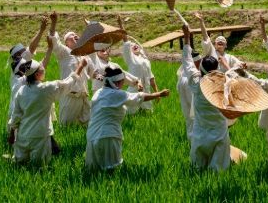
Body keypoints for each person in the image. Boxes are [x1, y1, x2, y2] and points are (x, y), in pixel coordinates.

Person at [8, 44, 88, 166]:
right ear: (37, 74)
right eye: (41, 68)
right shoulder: (46, 89)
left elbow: (16, 116)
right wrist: (80, 67)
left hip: (23, 135)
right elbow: (68, 83)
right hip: (40, 136)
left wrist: (11, 134)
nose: (44, 69)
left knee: (19, 164)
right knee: (39, 167)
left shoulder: (21, 91)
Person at [86, 66, 169, 171]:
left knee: (94, 170)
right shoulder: (117, 94)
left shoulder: (98, 93)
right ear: (116, 83)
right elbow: (140, 97)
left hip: (92, 135)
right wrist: (159, 94)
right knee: (112, 169)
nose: (123, 85)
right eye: (122, 82)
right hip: (108, 136)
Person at [180, 23, 231, 171]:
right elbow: (235, 77)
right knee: (219, 167)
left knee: (198, 165)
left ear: (200, 68)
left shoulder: (196, 82)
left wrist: (186, 38)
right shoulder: (224, 83)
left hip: (201, 129)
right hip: (219, 129)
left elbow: (187, 61)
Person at [48, 12, 91, 126]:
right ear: (66, 43)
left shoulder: (83, 55)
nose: (75, 35)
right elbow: (54, 42)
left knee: (88, 125)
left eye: (76, 34)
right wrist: (54, 22)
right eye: (72, 35)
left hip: (83, 95)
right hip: (70, 94)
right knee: (66, 125)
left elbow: (92, 71)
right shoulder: (65, 53)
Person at [7, 16, 49, 133]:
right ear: (17, 56)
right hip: (18, 107)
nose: (26, 54)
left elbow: (41, 65)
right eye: (23, 52)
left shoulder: (26, 67)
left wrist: (50, 49)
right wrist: (41, 30)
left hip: (25, 104)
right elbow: (31, 49)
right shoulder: (16, 65)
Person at [118, 15, 159, 114]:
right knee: (131, 113)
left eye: (135, 44)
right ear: (129, 51)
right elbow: (126, 41)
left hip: (146, 90)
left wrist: (157, 93)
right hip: (135, 89)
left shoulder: (145, 60)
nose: (134, 45)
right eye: (132, 46)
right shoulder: (130, 58)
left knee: (147, 113)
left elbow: (151, 77)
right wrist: (121, 25)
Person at [176, 47, 202, 140]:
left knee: (188, 115)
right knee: (194, 115)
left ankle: (190, 136)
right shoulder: (193, 75)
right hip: (190, 89)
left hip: (183, 87)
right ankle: (194, 138)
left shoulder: (183, 72)